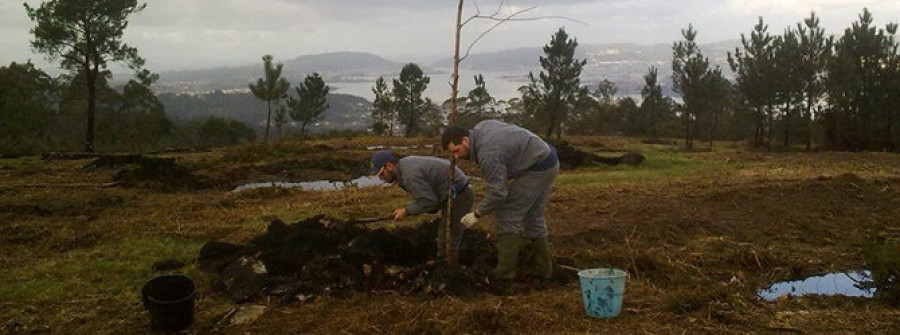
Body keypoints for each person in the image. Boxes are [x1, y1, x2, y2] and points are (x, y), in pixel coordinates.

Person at [441, 120, 558, 284]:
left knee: (507, 213)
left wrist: (477, 213)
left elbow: (498, 192)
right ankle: (546, 271)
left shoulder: (487, 153)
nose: (456, 157)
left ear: (465, 140)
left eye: (456, 150)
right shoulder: (481, 128)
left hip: (537, 168)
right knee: (533, 218)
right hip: (547, 158)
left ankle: (504, 274)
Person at [369, 151, 474, 260]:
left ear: (389, 166)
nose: (382, 178)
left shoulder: (410, 175)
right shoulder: (404, 167)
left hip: (460, 195)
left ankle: (448, 270)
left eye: (381, 174)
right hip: (452, 193)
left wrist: (406, 210)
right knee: (446, 237)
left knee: (447, 241)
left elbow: (429, 201)